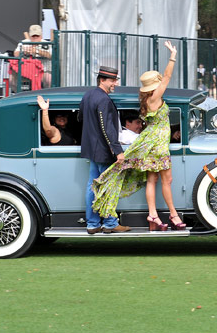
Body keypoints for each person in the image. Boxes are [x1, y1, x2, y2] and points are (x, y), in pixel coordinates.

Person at [94, 41, 182, 232]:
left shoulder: (146, 100)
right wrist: (172, 56)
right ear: (154, 87)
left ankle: (153, 215)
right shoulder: (155, 98)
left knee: (153, 180)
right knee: (167, 180)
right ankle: (174, 215)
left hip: (151, 143)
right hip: (158, 145)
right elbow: (167, 76)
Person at [78, 65, 129, 234]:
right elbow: (107, 128)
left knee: (92, 186)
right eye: (112, 80)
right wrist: (118, 151)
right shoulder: (104, 100)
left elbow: (80, 118)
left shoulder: (88, 95)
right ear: (102, 80)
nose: (115, 83)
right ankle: (110, 223)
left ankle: (92, 224)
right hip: (103, 151)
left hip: (91, 149)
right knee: (108, 186)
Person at [12, 24, 51, 90]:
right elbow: (15, 54)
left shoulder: (47, 44)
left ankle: (46, 97)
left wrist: (37, 51)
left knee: (48, 79)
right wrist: (24, 52)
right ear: (30, 36)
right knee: (11, 79)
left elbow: (50, 55)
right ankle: (18, 97)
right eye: (33, 36)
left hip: (43, 71)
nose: (35, 37)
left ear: (41, 35)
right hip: (26, 71)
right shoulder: (24, 42)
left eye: (37, 35)